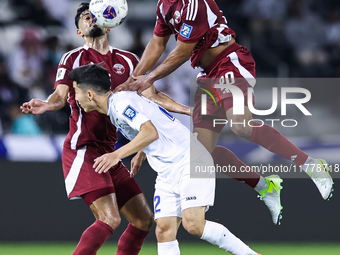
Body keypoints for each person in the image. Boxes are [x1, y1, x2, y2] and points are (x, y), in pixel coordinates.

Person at [116, 0, 334, 225]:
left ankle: (310, 165)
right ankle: (265, 186)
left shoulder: (193, 3)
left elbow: (181, 52)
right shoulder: (164, 5)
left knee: (241, 125)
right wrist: (132, 79)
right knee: (202, 155)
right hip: (207, 75)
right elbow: (156, 44)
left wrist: (147, 79)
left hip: (229, 62)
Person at [20, 2, 190, 254]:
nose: (90, 20)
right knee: (109, 218)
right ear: (79, 31)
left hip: (109, 151)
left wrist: (190, 111)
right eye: (84, 18)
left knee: (143, 219)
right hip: (83, 148)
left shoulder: (130, 60)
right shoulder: (73, 58)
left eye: (93, 15)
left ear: (107, 23)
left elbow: (152, 97)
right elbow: (59, 96)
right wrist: (46, 104)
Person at [69, 63, 261, 255]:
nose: (75, 98)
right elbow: (155, 124)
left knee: (194, 224)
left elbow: (150, 132)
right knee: (163, 230)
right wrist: (141, 151)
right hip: (167, 168)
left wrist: (117, 154)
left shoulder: (120, 105)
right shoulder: (118, 105)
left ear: (89, 95)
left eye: (76, 91)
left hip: (188, 159)